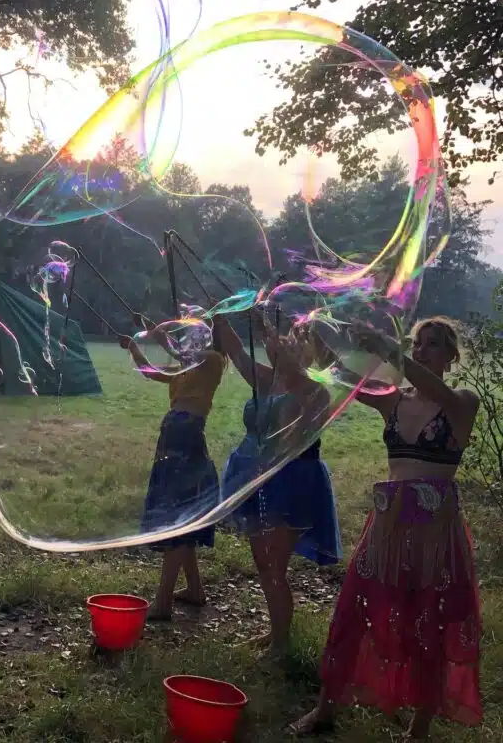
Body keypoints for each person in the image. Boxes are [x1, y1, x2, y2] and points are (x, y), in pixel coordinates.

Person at [290, 316, 482, 740]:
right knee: (356, 609)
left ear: (451, 356)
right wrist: (317, 337)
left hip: (436, 533)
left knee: (432, 622)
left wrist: (389, 351)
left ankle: (418, 730)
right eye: (417, 344)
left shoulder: (462, 401)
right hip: (388, 526)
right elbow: (342, 375)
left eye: (433, 344)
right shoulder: (392, 400)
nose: (422, 351)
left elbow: (438, 391)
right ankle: (325, 710)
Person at [215, 311, 342, 653]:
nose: (288, 343)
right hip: (258, 477)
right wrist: (221, 319)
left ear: (312, 353)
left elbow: (294, 424)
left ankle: (281, 644)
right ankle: (275, 632)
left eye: (299, 342)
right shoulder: (267, 379)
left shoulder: (316, 391)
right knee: (263, 564)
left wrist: (266, 333)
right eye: (288, 339)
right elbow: (237, 352)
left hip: (291, 482)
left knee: (274, 566)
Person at [121, 320, 227, 621]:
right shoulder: (186, 367)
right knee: (181, 512)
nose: (190, 336)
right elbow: (152, 372)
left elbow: (183, 353)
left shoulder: (213, 360)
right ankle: (195, 590)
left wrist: (159, 335)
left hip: (186, 435)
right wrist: (134, 347)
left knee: (177, 514)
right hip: (172, 435)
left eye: (195, 333)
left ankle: (163, 602)